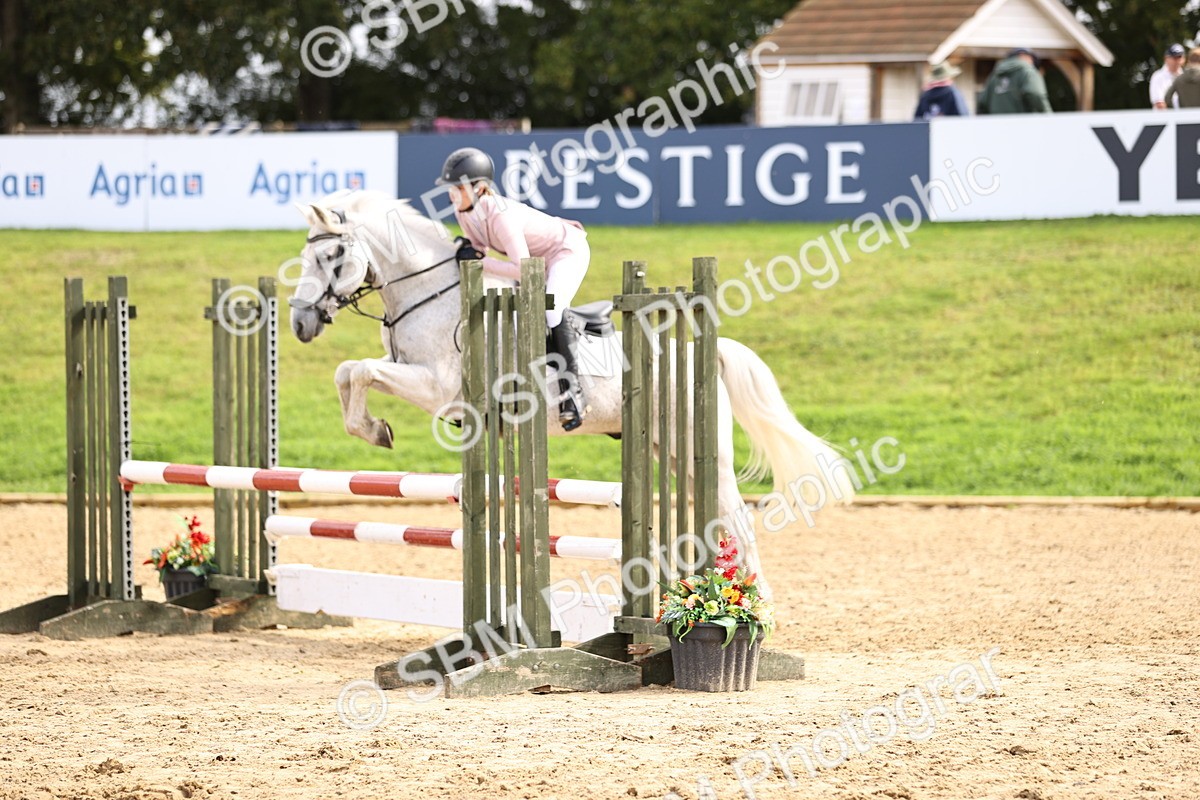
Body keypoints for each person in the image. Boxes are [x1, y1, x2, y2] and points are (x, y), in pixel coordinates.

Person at [437, 147, 590, 431]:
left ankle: (574, 395)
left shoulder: (501, 215)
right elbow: (480, 248)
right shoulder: (464, 211)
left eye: (458, 188)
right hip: (534, 263)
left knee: (552, 309)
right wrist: (468, 251)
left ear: (480, 188)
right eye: (450, 188)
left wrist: (482, 262)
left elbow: (520, 268)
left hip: (566, 252)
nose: (452, 194)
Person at [977, 48, 1052, 114]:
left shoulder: (994, 76)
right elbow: (1036, 94)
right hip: (1024, 126)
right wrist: (1049, 117)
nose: (1033, 63)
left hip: (998, 127)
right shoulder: (1028, 72)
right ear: (1024, 55)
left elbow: (983, 104)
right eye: (1032, 59)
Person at [1150, 44, 1186, 109]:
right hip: (1163, 117)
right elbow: (1159, 103)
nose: (1177, 61)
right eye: (1174, 57)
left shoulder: (1185, 76)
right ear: (1166, 58)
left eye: (1179, 57)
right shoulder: (1157, 77)